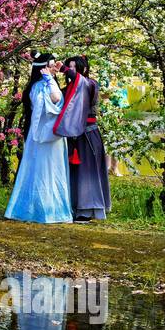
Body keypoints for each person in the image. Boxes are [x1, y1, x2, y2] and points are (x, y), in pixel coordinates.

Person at [5, 52, 73, 224]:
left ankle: (53, 208)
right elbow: (56, 100)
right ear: (43, 69)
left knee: (54, 170)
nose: (54, 69)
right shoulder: (38, 87)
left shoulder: (49, 83)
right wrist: (50, 80)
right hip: (41, 136)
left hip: (53, 137)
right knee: (41, 170)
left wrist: (55, 76)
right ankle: (39, 210)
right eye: (50, 66)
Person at [54, 55, 110, 221]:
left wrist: (64, 69)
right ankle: (73, 207)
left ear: (83, 69)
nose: (70, 71)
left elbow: (80, 82)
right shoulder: (67, 89)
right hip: (72, 136)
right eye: (69, 67)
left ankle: (87, 211)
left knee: (87, 172)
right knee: (73, 172)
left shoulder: (90, 84)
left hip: (88, 135)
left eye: (74, 68)